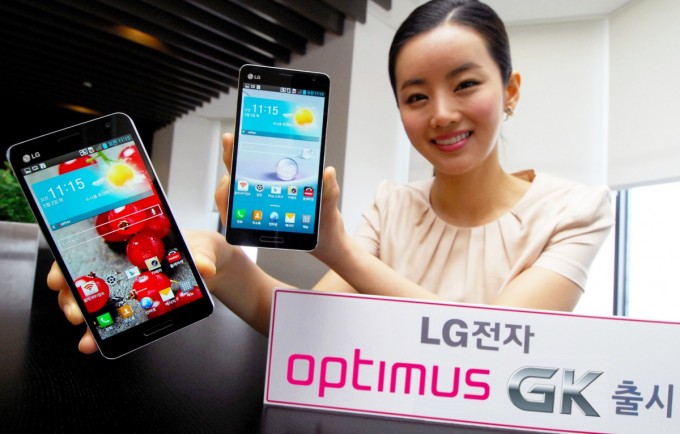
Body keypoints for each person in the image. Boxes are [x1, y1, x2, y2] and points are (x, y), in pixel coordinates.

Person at [48, 0, 614, 354]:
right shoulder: (393, 206)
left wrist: (337, 247)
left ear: (510, 90)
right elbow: (303, 326)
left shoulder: (573, 211)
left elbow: (497, 346)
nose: (442, 113)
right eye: (416, 96)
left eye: (466, 84)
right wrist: (221, 260)